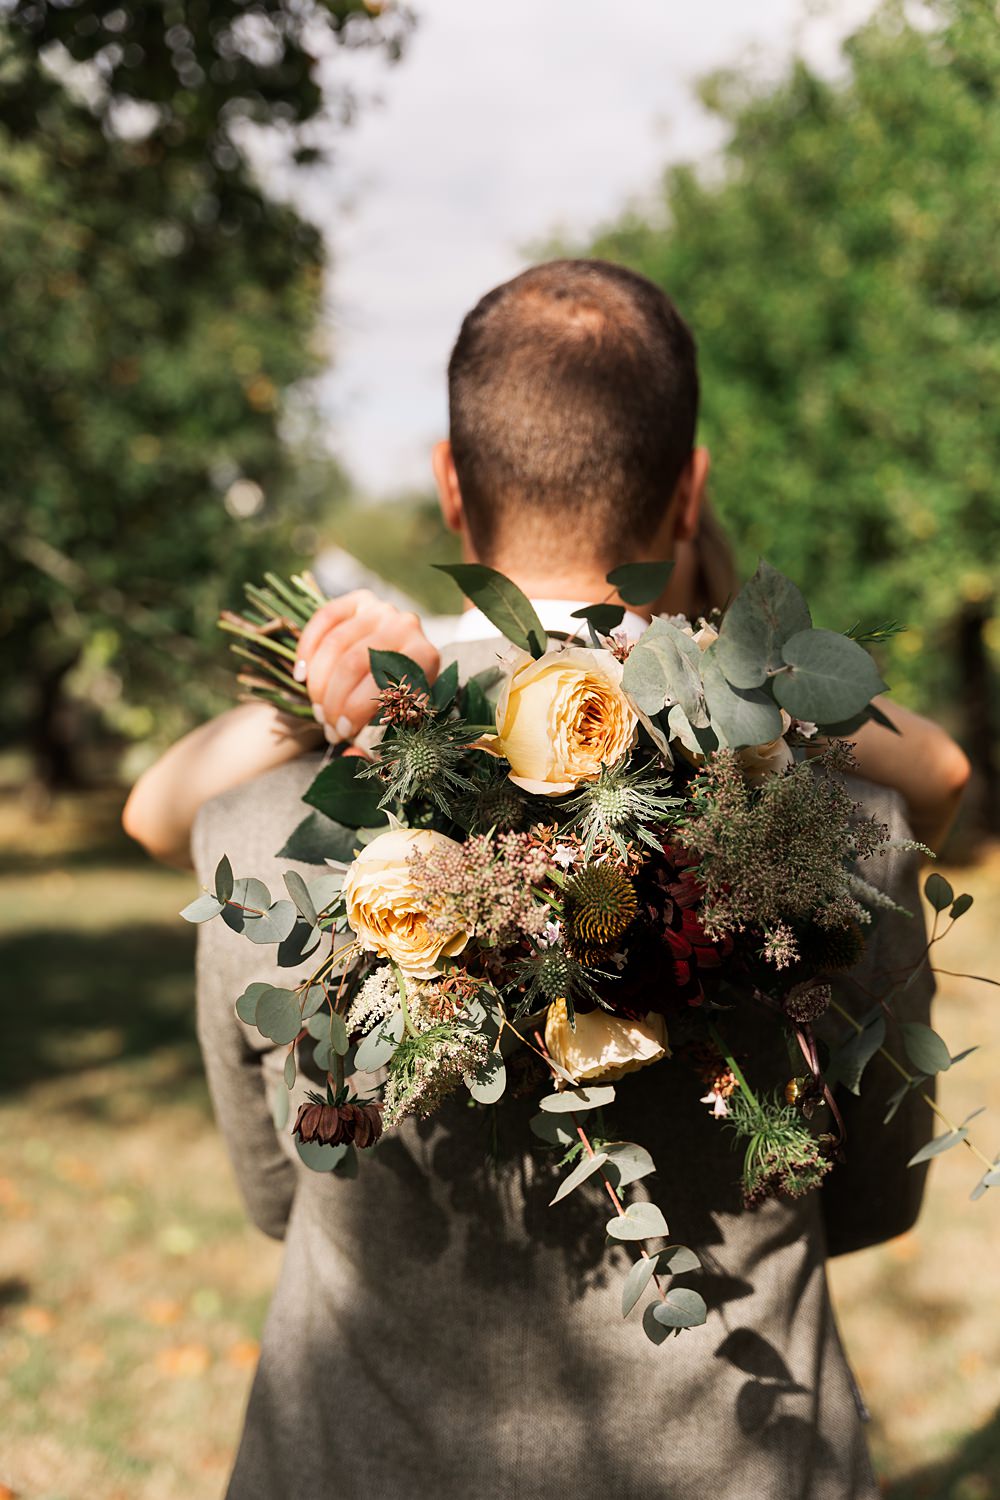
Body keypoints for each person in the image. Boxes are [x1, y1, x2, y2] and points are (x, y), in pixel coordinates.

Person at [124, 260, 969, 1500]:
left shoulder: (265, 841)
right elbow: (879, 1200)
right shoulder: (838, 830)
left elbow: (274, 1189)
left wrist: (349, 679)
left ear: (449, 486)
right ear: (689, 492)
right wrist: (728, 666)